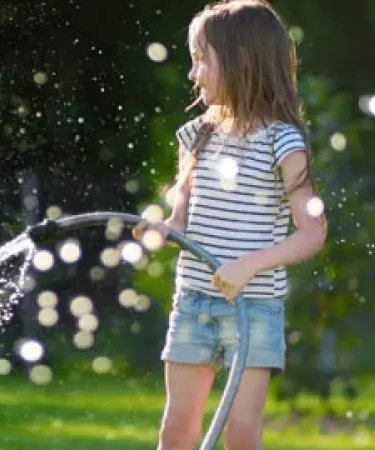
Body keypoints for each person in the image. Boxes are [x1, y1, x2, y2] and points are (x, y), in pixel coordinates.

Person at [132, 1, 328, 449]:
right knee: (177, 430)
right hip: (194, 301)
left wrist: (248, 266)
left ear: (241, 59)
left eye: (202, 59)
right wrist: (160, 228)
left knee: (240, 433)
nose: (193, 73)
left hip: (255, 307)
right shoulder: (195, 135)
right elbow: (180, 217)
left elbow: (312, 233)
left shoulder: (283, 141)